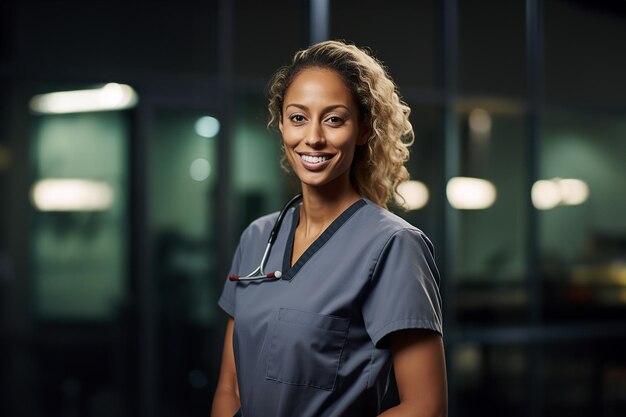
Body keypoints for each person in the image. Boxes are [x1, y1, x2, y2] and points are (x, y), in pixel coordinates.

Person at [211, 40, 446, 417]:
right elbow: (229, 387)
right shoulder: (257, 238)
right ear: (282, 124)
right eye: (298, 117)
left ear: (365, 129)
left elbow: (426, 406)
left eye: (334, 119)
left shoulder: (393, 246)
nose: (314, 137)